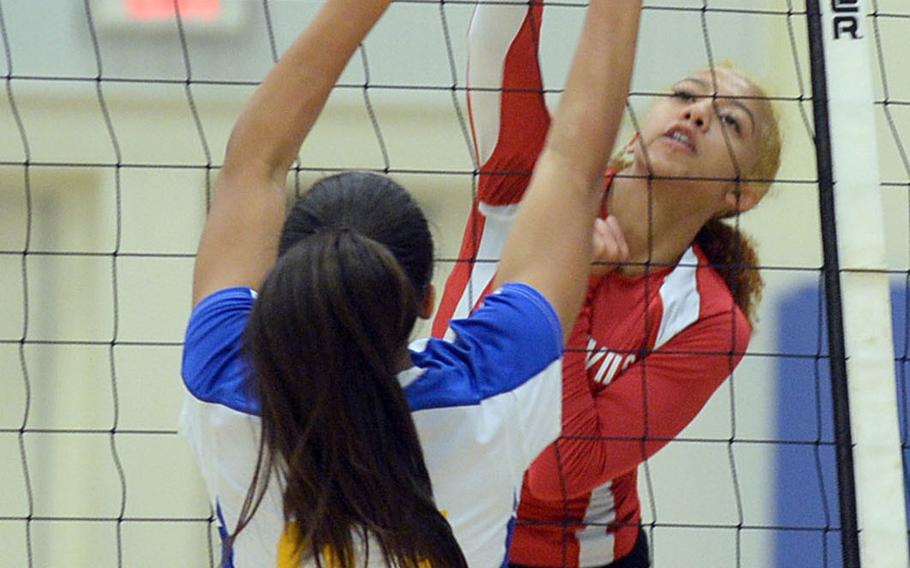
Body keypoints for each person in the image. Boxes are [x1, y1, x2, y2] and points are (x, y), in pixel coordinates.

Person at [179, 0, 643, 566]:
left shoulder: (223, 383)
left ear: (283, 286)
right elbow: (571, 168)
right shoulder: (490, 394)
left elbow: (253, 162)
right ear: (426, 302)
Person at [432, 3, 783, 568]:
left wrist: (575, 291)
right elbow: (497, 36)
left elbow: (561, 471)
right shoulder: (531, 178)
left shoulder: (710, 320)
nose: (695, 115)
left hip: (562, 558)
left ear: (739, 197)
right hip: (428, 531)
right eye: (686, 96)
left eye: (729, 121)